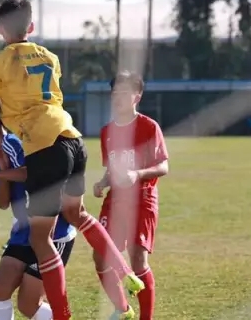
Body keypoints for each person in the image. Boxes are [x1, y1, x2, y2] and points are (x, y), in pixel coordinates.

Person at [0, 0, 143, 320]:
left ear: (0, 29)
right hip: (72, 139)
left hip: (44, 148)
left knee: (41, 239)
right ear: (31, 26)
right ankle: (126, 272)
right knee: (78, 213)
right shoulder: (50, 57)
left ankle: (62, 316)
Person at [0, 113, 75, 320]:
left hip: (52, 233)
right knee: (0, 287)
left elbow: (32, 173)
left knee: (28, 305)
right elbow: (2, 203)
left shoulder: (14, 144)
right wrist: (1, 172)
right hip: (23, 234)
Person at [93, 71, 169, 320]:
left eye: (124, 93)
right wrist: (102, 182)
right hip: (114, 200)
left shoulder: (149, 127)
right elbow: (112, 169)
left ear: (137, 96)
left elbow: (163, 166)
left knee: (138, 261)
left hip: (143, 199)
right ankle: (123, 309)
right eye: (115, 93)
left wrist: (138, 174)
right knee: (101, 256)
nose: (118, 98)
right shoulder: (107, 131)